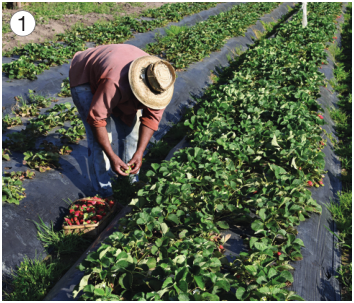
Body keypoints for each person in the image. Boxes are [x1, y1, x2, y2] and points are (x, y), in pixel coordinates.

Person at [69, 44, 176, 199]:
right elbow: (97, 119)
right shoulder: (115, 82)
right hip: (86, 75)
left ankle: (129, 181)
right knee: (100, 140)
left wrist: (140, 153)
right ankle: (104, 193)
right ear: (139, 88)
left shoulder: (161, 84)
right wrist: (112, 155)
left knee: (132, 131)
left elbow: (151, 118)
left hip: (116, 74)